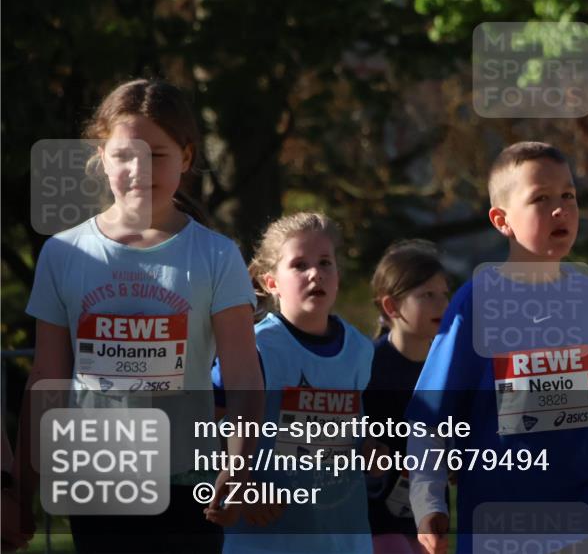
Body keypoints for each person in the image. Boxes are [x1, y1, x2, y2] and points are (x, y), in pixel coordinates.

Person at [18, 79, 263, 553]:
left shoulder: (215, 255)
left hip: (189, 488)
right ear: (101, 156)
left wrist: (237, 468)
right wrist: (20, 492)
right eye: (125, 154)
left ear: (187, 158)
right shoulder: (63, 253)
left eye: (158, 153)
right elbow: (45, 377)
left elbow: (244, 377)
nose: (139, 169)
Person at [406, 142, 588, 554]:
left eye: (569, 195)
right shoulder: (476, 303)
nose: (560, 208)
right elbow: (431, 417)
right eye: (541, 198)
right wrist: (428, 502)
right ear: (501, 220)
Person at [213, 212, 375, 554]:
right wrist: (245, 484)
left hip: (343, 538)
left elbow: (345, 434)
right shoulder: (256, 348)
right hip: (268, 540)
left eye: (325, 263)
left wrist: (370, 449)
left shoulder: (360, 349)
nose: (315, 273)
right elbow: (203, 422)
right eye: (299, 265)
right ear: (270, 282)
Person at [364, 240, 449, 554]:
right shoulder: (366, 365)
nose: (442, 304)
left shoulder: (447, 367)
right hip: (374, 517)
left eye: (444, 294)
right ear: (391, 306)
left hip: (429, 519)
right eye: (427, 295)